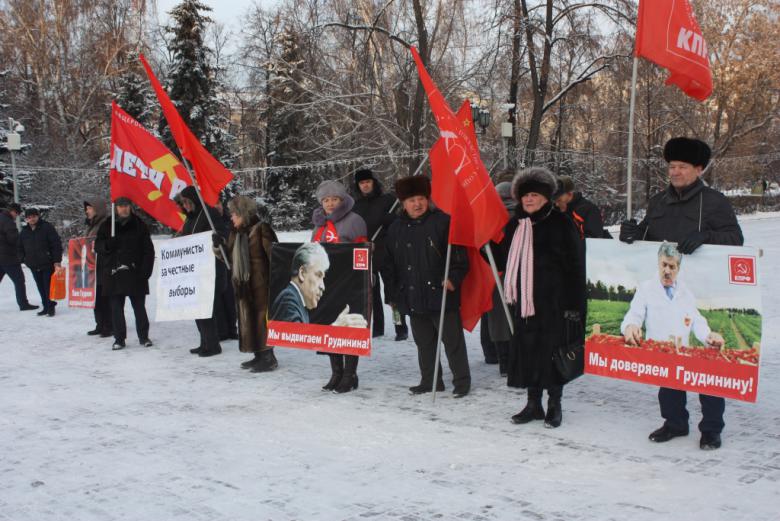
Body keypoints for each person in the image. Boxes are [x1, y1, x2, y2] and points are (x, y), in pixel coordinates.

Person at [619, 136, 743, 450]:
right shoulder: (659, 201)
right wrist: (633, 234)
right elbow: (649, 235)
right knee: (667, 360)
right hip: (663, 289)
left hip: (697, 292)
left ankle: (711, 428)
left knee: (705, 367)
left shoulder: (714, 202)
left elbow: (736, 239)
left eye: (682, 167)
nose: (674, 172)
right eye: (671, 166)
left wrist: (706, 235)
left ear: (698, 169)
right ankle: (674, 422)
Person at [494, 167, 585, 428]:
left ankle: (554, 404)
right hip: (524, 304)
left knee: (552, 354)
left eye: (534, 194)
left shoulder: (561, 223)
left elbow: (576, 265)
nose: (529, 200)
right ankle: (533, 404)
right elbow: (503, 259)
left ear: (546, 197)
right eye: (525, 196)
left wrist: (574, 306)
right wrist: (485, 247)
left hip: (555, 303)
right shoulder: (515, 226)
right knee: (528, 352)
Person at [382, 176, 472, 398]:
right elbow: (389, 264)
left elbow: (460, 259)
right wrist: (393, 292)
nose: (417, 204)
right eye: (411, 200)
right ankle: (430, 380)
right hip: (411, 295)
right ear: (403, 203)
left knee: (453, 342)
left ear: (428, 199)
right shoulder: (395, 228)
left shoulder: (443, 222)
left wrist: (452, 278)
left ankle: (462, 381)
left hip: (441, 294)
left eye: (421, 198)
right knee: (424, 343)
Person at [311, 179, 368, 393]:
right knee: (329, 326)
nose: (330, 204)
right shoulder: (319, 224)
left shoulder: (354, 221)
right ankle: (336, 372)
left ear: (342, 200)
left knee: (348, 326)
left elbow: (364, 250)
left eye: (334, 199)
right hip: (326, 285)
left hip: (349, 283)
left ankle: (350, 374)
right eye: (326, 200)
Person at [621, 242, 725, 349]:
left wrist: (708, 336)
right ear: (658, 263)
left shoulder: (686, 294)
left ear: (678, 268)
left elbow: (697, 322)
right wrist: (631, 325)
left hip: (681, 357)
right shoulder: (645, 289)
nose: (667, 271)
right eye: (664, 265)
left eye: (671, 267)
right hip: (655, 355)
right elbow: (634, 314)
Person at [222, 196, 279, 372]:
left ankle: (268, 357)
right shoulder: (235, 233)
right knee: (249, 319)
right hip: (243, 285)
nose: (231, 218)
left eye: (234, 214)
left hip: (261, 284)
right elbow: (228, 258)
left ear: (243, 214)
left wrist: (274, 280)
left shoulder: (261, 229)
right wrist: (218, 246)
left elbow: (275, 255)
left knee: (262, 320)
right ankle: (258, 354)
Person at [351, 168, 407, 340]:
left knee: (393, 293)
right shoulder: (355, 205)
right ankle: (378, 328)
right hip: (367, 253)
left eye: (368, 182)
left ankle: (400, 327)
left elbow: (402, 219)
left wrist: (392, 220)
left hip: (388, 253)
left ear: (374, 182)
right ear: (358, 186)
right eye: (362, 183)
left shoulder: (388, 200)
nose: (365, 185)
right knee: (372, 294)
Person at [94, 198, 154, 350]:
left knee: (139, 307)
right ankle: (119, 339)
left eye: (126, 206)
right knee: (116, 308)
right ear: (116, 208)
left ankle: (144, 336)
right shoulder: (108, 225)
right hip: (114, 273)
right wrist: (108, 245)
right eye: (120, 206)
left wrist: (145, 271)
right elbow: (97, 246)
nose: (123, 209)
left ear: (130, 207)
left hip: (135, 273)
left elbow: (148, 250)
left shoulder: (139, 225)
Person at [178, 186, 229, 358]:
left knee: (207, 309)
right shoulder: (189, 219)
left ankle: (213, 345)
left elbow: (223, 233)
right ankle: (204, 342)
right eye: (183, 203)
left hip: (211, 270)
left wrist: (218, 239)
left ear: (194, 199)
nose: (185, 206)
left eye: (187, 202)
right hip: (194, 272)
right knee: (197, 308)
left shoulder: (209, 213)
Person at [482, 179, 516, 376]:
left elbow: (486, 251)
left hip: (497, 274)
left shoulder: (491, 219)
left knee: (498, 320)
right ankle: (514, 360)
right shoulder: (523, 218)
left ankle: (502, 361)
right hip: (517, 275)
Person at [18, 207, 63, 317]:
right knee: (40, 286)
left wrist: (57, 260)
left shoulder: (46, 227)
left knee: (48, 286)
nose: (32, 219)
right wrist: (24, 259)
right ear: (26, 219)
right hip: (33, 264)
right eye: (29, 217)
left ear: (38, 216)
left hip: (47, 262)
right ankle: (45, 306)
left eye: (34, 216)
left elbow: (56, 244)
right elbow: (19, 247)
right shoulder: (24, 231)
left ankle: (51, 307)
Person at [83, 197, 112, 337]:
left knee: (104, 296)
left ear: (97, 209)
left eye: (89, 208)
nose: (87, 211)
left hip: (103, 264)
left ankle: (108, 325)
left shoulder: (106, 223)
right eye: (86, 208)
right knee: (97, 297)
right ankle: (100, 324)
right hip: (93, 264)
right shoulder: (91, 224)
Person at [0, 203, 37, 311]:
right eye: (17, 213)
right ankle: (23, 304)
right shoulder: (8, 222)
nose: (17, 216)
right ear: (13, 211)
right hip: (9, 257)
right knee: (19, 280)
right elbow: (13, 239)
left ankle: (23, 303)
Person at [213, 199, 239, 341]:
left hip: (230, 264)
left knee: (230, 298)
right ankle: (221, 330)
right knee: (218, 300)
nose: (217, 206)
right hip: (214, 266)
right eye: (214, 204)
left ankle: (232, 329)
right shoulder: (208, 222)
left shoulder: (230, 221)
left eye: (219, 203)